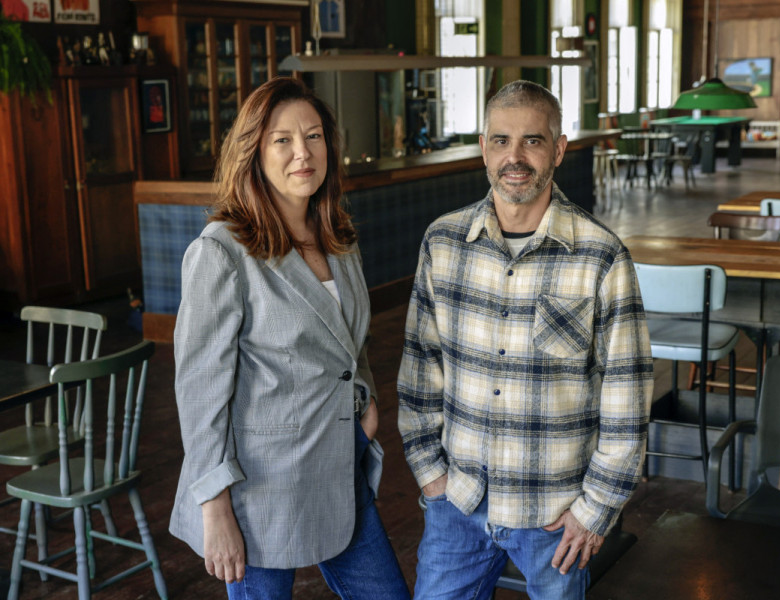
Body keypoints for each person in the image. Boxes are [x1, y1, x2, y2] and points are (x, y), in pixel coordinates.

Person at [397, 80, 653, 599]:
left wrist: (596, 510)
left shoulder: (601, 256)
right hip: (459, 503)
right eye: (500, 140)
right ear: (483, 148)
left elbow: (627, 399)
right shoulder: (443, 243)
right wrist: (431, 477)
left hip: (556, 517)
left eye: (532, 141)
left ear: (558, 148)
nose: (514, 156)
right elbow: (420, 370)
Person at [170, 77, 410, 600]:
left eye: (314, 136)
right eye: (282, 140)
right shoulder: (223, 252)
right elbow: (200, 393)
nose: (303, 153)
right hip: (258, 488)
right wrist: (215, 507)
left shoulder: (337, 237)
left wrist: (365, 394)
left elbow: (350, 338)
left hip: (339, 462)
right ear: (254, 152)